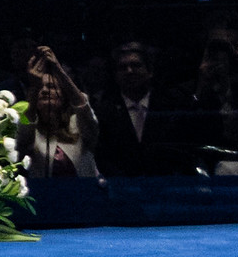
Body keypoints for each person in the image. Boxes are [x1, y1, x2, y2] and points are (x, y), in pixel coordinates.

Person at [93, 43, 184, 177]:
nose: (129, 71)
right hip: (121, 188)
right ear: (116, 75)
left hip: (165, 185)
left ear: (150, 71)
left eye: (136, 65)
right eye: (123, 68)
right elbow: (102, 156)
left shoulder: (171, 106)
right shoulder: (104, 111)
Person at [16, 45, 100, 178]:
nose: (44, 91)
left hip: (84, 194)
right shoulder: (33, 130)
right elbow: (23, 135)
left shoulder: (77, 124)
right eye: (40, 88)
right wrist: (33, 87)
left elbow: (83, 107)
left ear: (64, 96)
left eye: (51, 87)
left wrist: (59, 71)